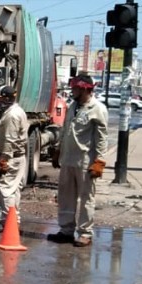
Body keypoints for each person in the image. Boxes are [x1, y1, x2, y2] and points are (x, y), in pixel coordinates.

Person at [47, 74, 108, 247]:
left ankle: (85, 233)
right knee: (66, 197)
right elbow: (66, 129)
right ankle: (66, 230)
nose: (72, 91)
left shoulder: (97, 109)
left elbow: (102, 138)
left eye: (74, 88)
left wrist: (100, 161)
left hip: (85, 162)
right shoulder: (73, 106)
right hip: (68, 160)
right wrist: (58, 150)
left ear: (83, 89)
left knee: (86, 198)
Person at [0, 85, 28, 232]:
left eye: (0, 98)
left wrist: (4, 158)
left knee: (5, 189)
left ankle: (8, 223)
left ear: (6, 98)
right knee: (14, 190)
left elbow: (10, 139)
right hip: (17, 157)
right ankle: (13, 221)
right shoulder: (16, 111)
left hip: (11, 157)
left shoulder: (12, 115)